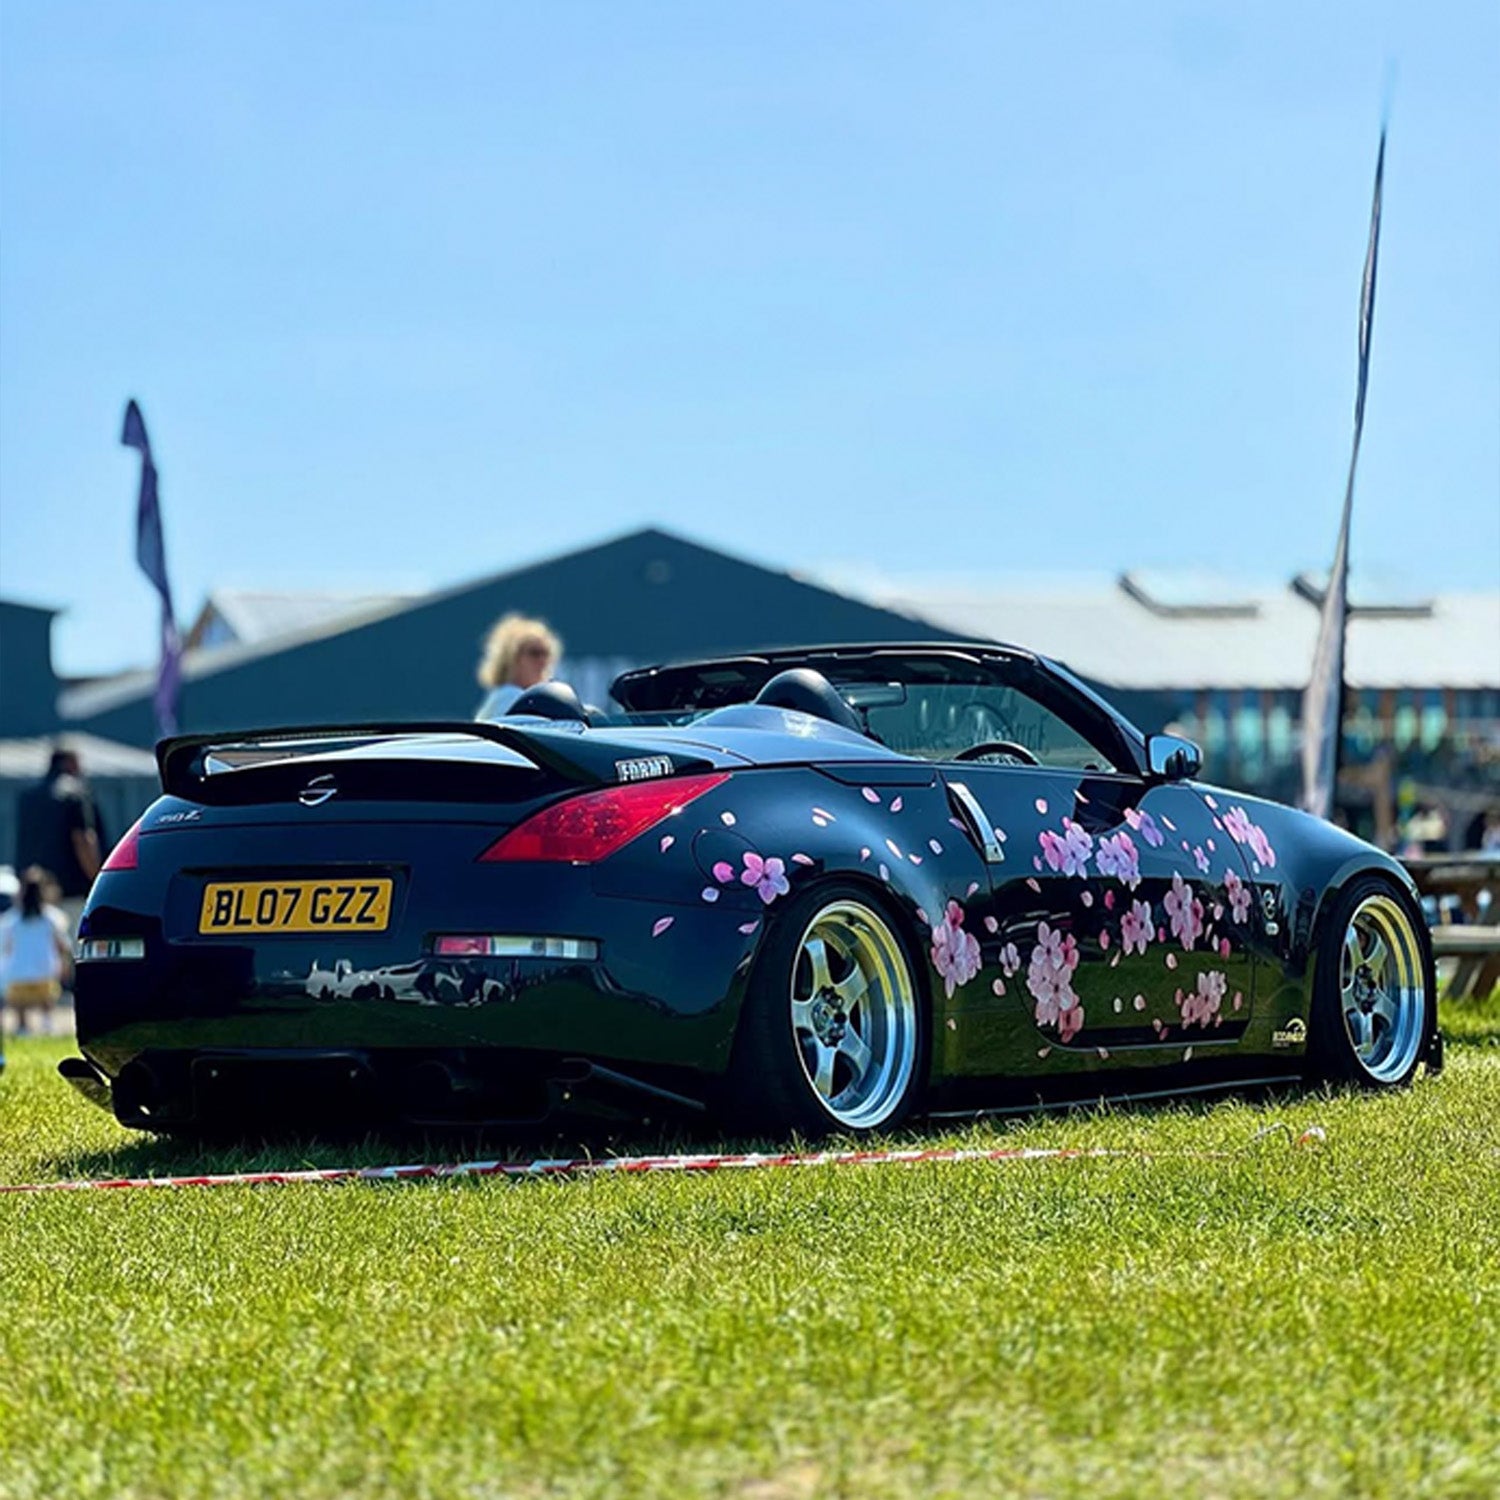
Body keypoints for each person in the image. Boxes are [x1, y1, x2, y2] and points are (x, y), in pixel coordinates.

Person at [14, 746, 102, 935]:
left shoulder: (28, 797)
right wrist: (98, 880)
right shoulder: (76, 794)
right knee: (73, 948)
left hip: (35, 894)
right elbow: (83, 840)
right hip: (71, 891)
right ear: (70, 764)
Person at [0, 867, 71, 1037]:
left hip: (17, 982)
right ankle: (47, 1023)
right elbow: (63, 946)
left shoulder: (11, 920)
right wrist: (64, 966)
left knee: (19, 995)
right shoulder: (53, 918)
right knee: (48, 993)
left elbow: (4, 947)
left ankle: (22, 1026)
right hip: (44, 981)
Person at [475, 614, 562, 718]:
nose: (543, 661)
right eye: (534, 653)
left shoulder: (516, 698)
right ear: (511, 658)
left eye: (546, 653)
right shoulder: (510, 697)